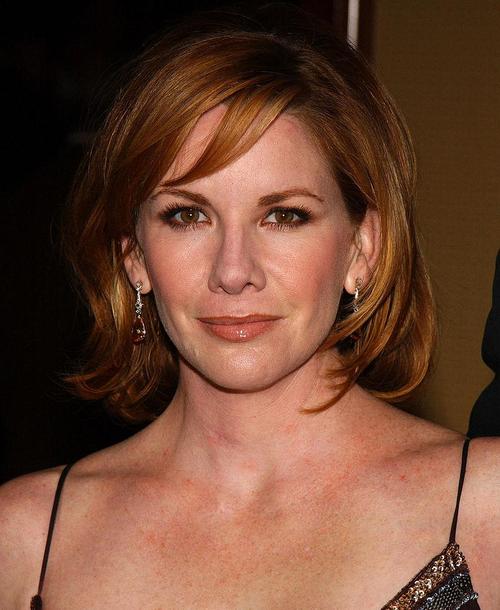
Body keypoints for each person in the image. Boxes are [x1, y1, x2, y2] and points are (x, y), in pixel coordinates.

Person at [1, 6, 498, 609]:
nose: (233, 272)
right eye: (187, 215)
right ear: (134, 255)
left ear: (363, 248)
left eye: (283, 216)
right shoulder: (27, 542)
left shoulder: (484, 509)